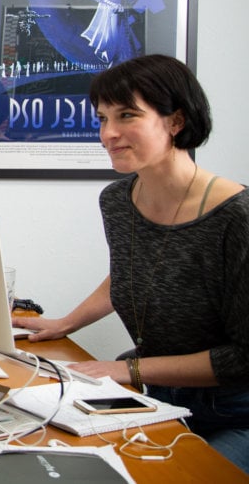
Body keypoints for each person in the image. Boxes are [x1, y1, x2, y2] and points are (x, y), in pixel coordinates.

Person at [15, 54, 249, 474]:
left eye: (127, 115)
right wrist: (66, 323)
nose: (108, 133)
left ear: (175, 122)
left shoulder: (237, 216)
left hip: (236, 411)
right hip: (157, 391)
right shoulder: (118, 201)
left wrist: (127, 368)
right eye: (102, 118)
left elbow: (243, 359)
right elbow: (134, 269)